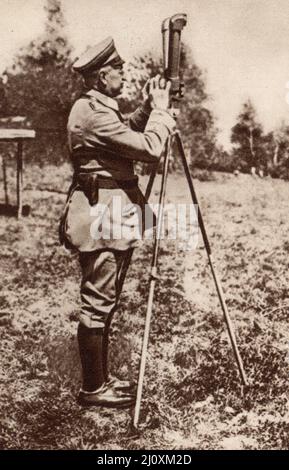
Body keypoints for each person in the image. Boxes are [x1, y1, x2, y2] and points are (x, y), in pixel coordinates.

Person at [59, 37, 175, 408]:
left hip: (107, 212)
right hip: (103, 217)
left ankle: (101, 381)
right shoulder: (92, 112)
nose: (124, 74)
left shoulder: (92, 108)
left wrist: (145, 109)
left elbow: (123, 131)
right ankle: (93, 389)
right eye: (118, 70)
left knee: (103, 299)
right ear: (100, 75)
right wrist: (161, 113)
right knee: (97, 302)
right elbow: (148, 149)